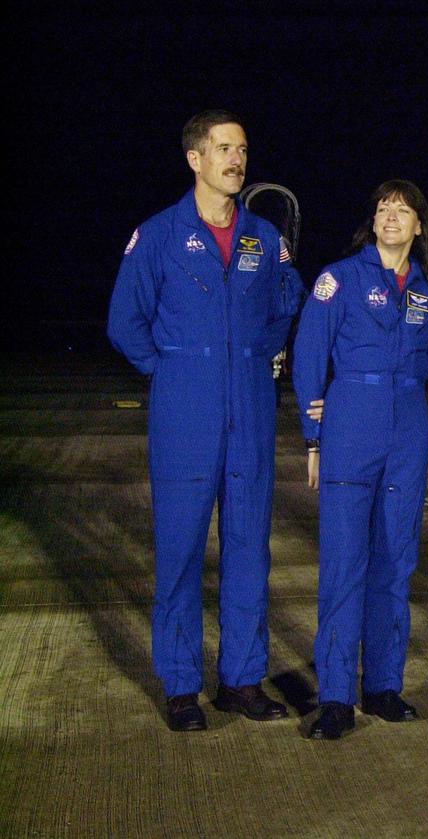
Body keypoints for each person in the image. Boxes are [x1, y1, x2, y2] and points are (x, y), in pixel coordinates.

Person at [107, 109, 304, 731]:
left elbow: (287, 300)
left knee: (249, 548)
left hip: (249, 409)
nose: (236, 159)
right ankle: (181, 686)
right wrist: (170, 372)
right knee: (182, 550)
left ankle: (243, 680)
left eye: (242, 149)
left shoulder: (262, 238)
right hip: (185, 413)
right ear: (195, 158)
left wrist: (256, 353)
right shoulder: (159, 235)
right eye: (224, 148)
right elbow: (124, 323)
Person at [291, 180, 428, 740]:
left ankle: (383, 685)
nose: (390, 217)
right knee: (343, 564)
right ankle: (335, 696)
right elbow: (309, 354)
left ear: (419, 226)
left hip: (408, 426)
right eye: (383, 208)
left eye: (402, 211)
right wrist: (315, 435)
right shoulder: (339, 280)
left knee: (397, 561)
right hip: (350, 422)